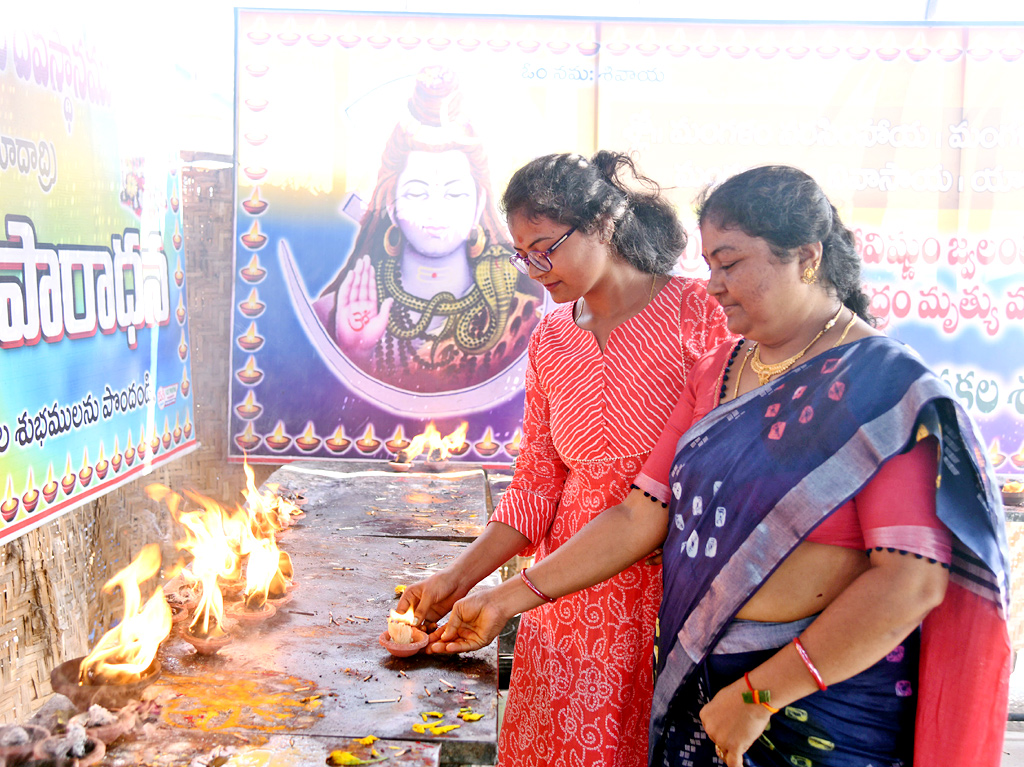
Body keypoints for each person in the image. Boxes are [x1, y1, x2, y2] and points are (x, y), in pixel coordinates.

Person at [428, 165, 1011, 767]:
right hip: (697, 682)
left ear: (806, 257)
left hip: (820, 705)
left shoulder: (886, 391)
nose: (712, 285)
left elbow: (909, 581)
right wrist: (500, 600)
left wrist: (762, 694)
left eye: (728, 264)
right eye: (708, 265)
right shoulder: (721, 372)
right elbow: (638, 514)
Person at [397, 151, 733, 767]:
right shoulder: (551, 338)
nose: (533, 269)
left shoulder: (700, 313)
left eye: (545, 247)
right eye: (521, 255)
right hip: (558, 599)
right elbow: (534, 489)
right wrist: (454, 580)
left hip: (667, 591)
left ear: (604, 220)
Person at [313, 66, 544, 391]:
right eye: (418, 192)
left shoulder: (529, 319)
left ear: (479, 204)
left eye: (454, 192)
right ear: (390, 206)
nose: (436, 211)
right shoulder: (332, 316)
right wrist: (356, 352)